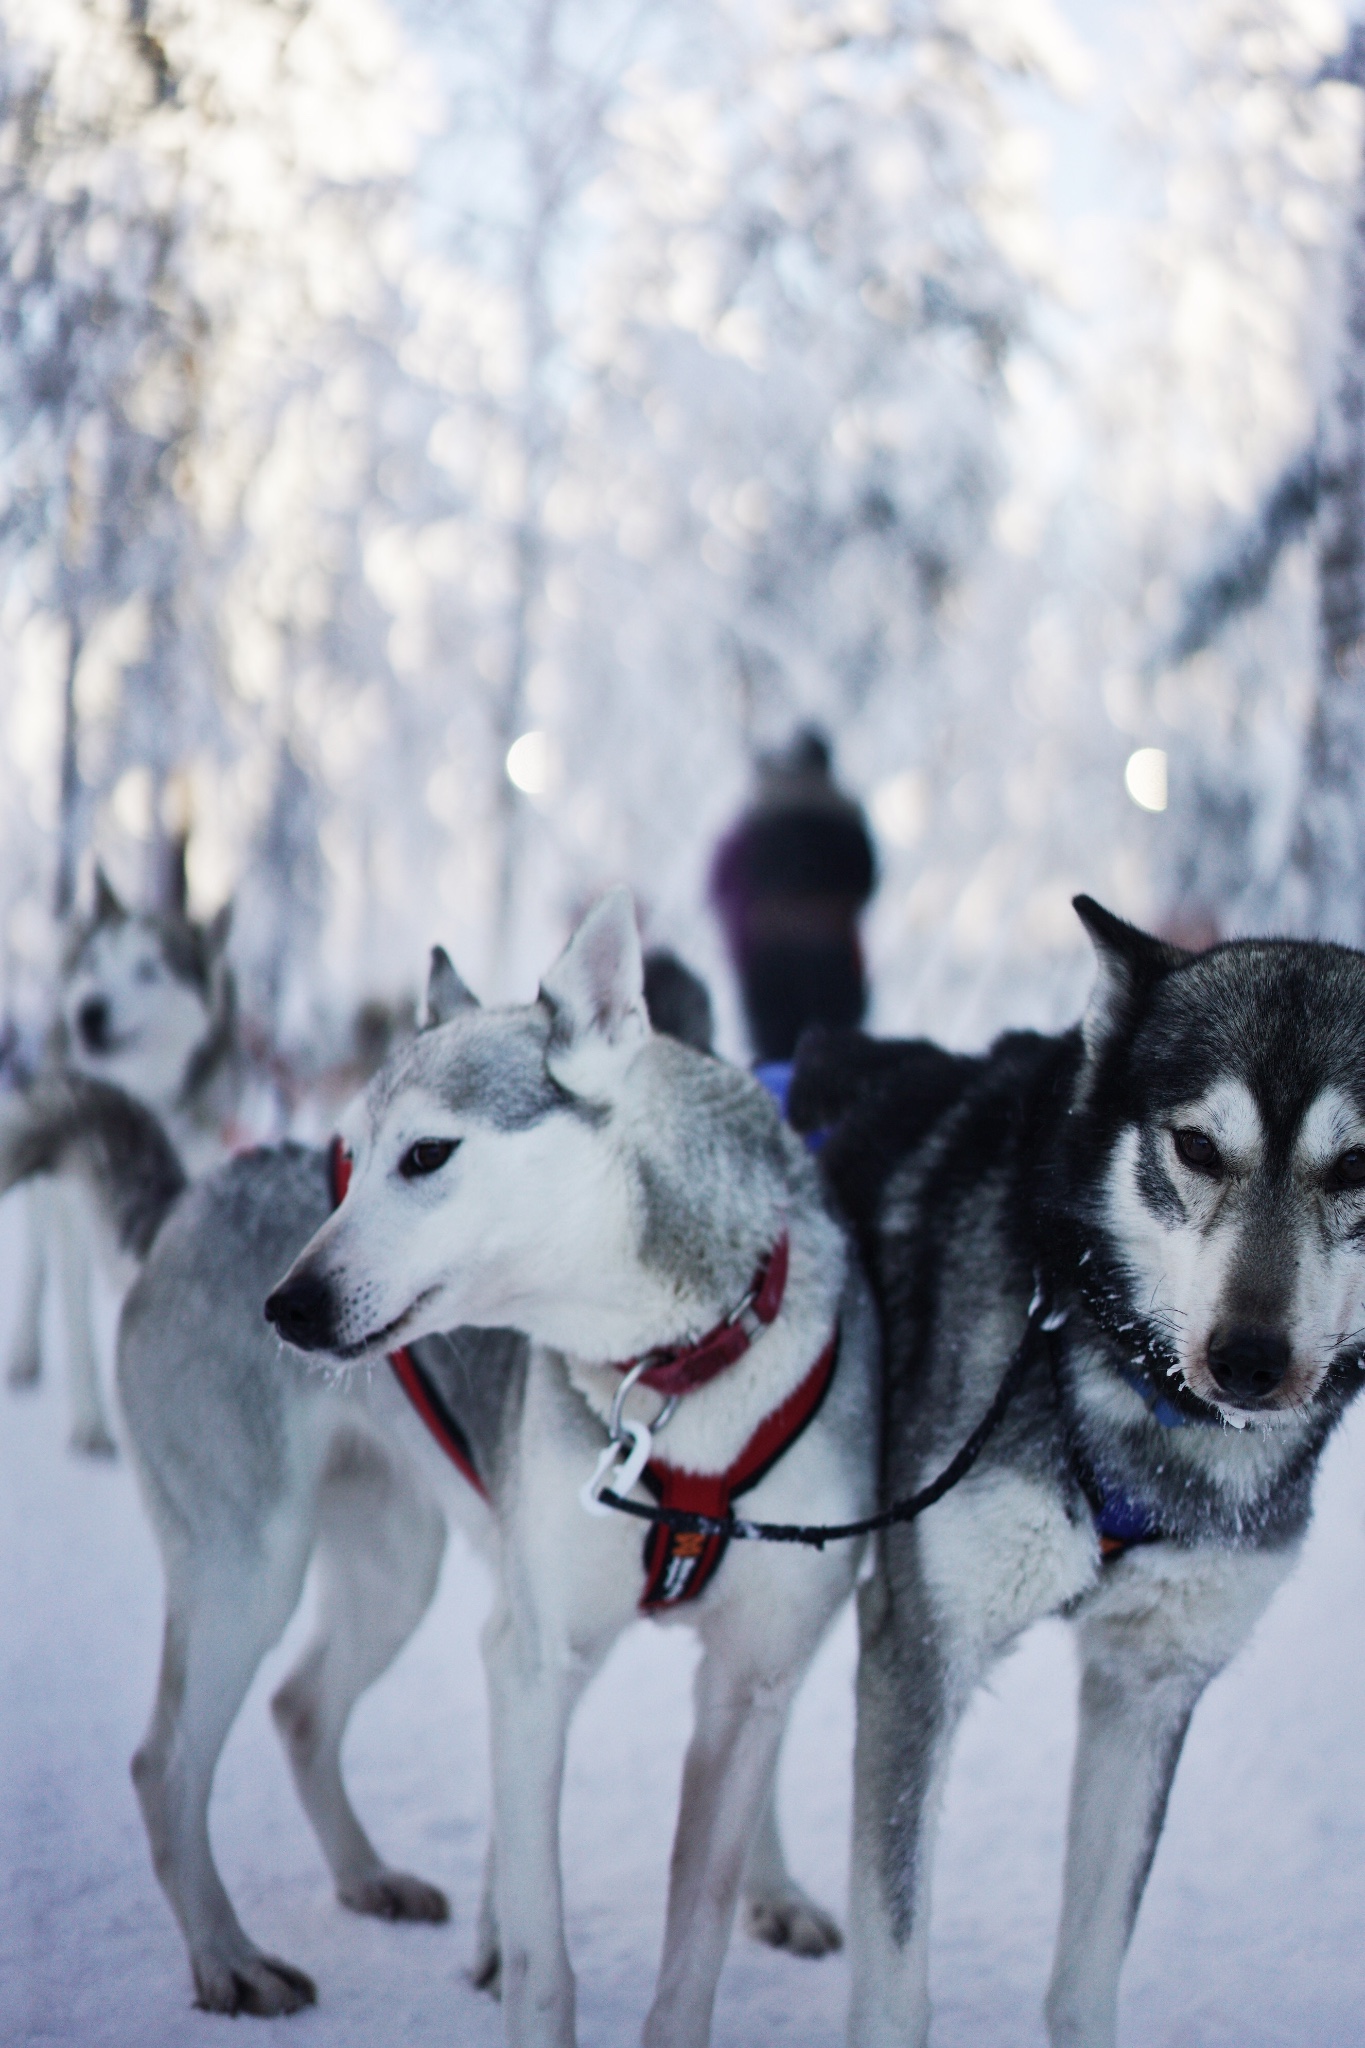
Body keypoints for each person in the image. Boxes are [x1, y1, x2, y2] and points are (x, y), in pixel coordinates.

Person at [709, 726, 876, 1064]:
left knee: (776, 1063)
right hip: (834, 955)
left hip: (772, 959)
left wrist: (747, 949)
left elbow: (723, 883)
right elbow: (866, 880)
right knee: (839, 1067)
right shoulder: (846, 816)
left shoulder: (756, 820)